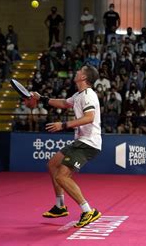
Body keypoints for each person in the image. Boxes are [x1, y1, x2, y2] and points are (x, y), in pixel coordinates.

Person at [29, 65, 102, 228]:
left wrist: (63, 125)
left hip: (88, 143)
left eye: (80, 71)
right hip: (80, 140)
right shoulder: (78, 95)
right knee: (52, 165)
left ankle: (88, 211)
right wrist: (41, 98)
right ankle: (60, 206)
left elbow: (89, 117)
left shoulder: (89, 95)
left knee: (62, 177)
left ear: (84, 77)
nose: (76, 71)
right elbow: (63, 103)